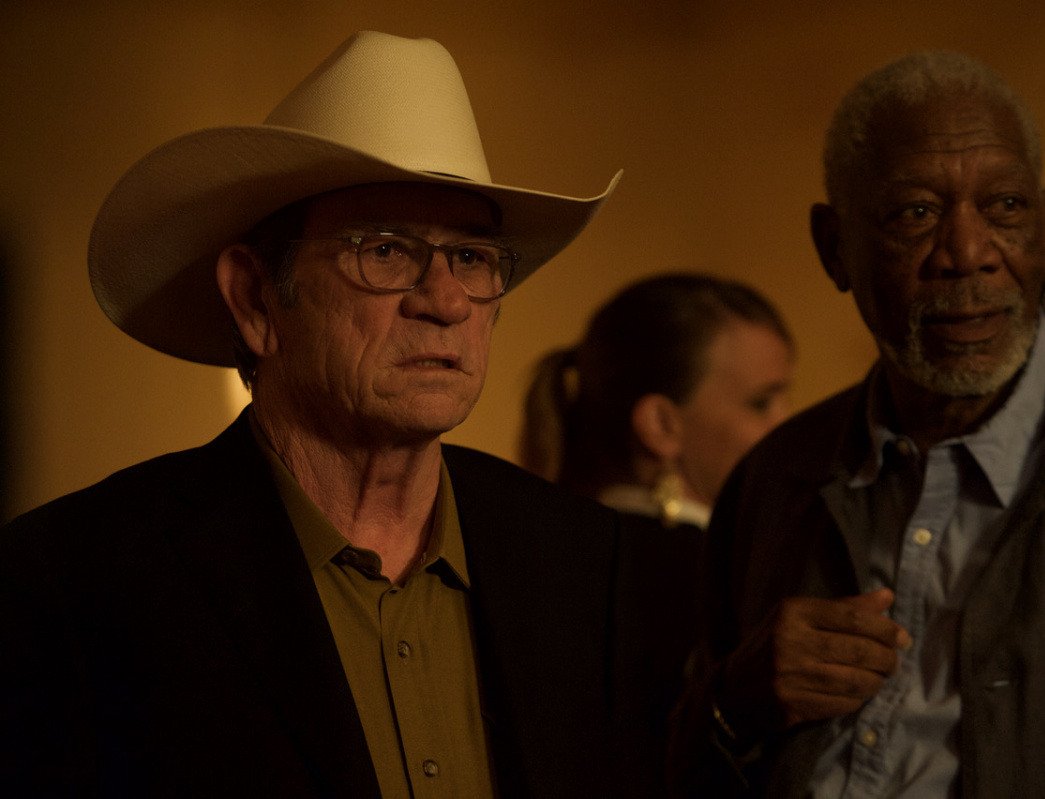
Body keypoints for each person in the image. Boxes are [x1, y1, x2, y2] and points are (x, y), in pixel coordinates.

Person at [0, 31, 697, 798]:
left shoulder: (588, 562)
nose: (446, 301)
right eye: (385, 250)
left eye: (471, 257)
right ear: (255, 299)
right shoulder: (75, 580)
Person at [668, 50, 1045, 798]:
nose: (967, 254)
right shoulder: (775, 482)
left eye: (1005, 206)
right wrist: (732, 703)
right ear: (833, 248)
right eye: (916, 213)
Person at [519, 273, 794, 531]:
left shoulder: (578, 542)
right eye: (761, 403)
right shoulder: (702, 564)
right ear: (661, 424)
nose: (787, 425)